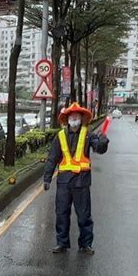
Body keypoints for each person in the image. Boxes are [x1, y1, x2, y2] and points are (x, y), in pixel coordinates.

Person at [43, 102, 109, 255]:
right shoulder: (60, 136)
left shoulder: (88, 134)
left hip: (81, 182)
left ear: (81, 119)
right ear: (67, 119)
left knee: (84, 215)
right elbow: (52, 158)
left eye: (76, 116)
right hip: (64, 182)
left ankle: (85, 244)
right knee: (61, 214)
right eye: (71, 116)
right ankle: (62, 243)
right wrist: (47, 178)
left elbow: (99, 148)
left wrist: (103, 142)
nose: (74, 118)